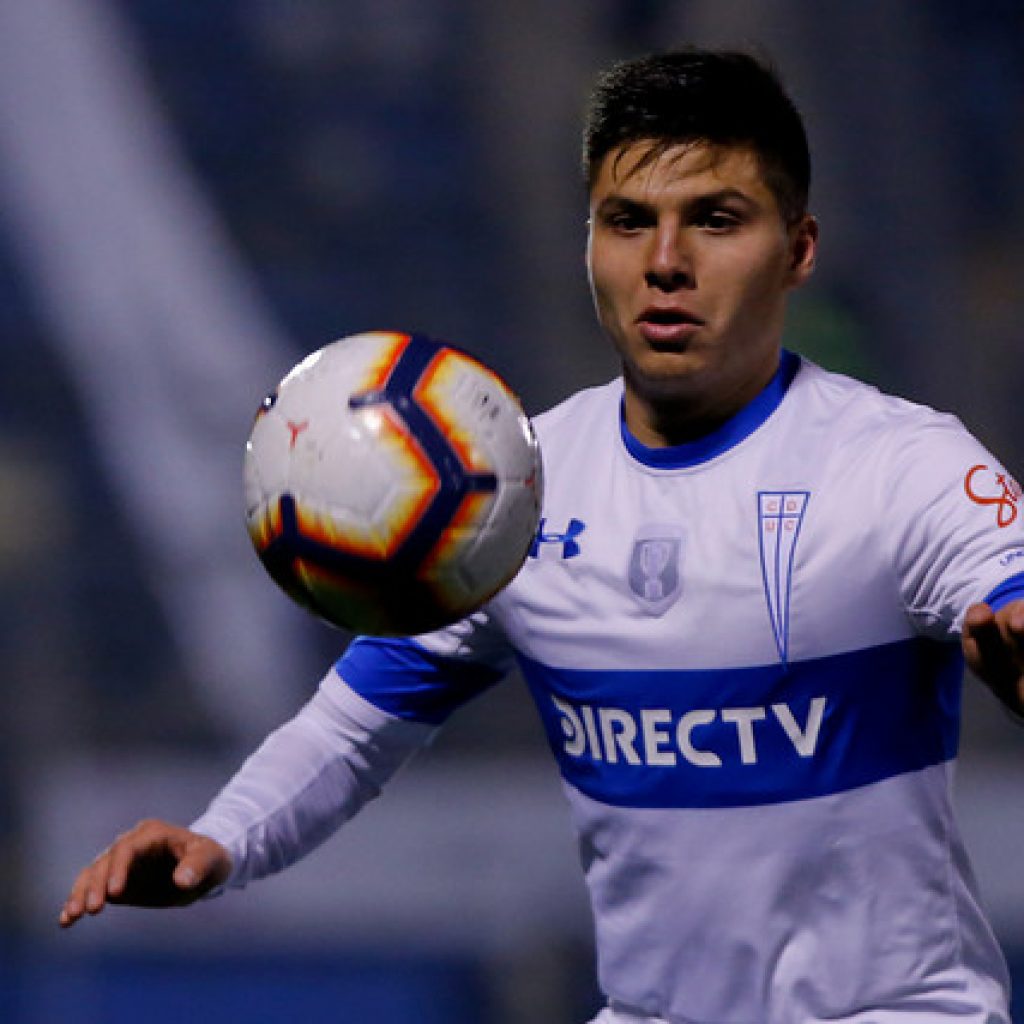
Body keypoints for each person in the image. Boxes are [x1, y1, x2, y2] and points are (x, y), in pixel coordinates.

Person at [61, 48, 1024, 1024]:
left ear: (798, 250)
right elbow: (352, 729)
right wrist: (221, 841)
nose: (664, 263)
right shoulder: (507, 489)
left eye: (716, 220)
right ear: (589, 244)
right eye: (628, 221)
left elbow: (1009, 587)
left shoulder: (900, 466)